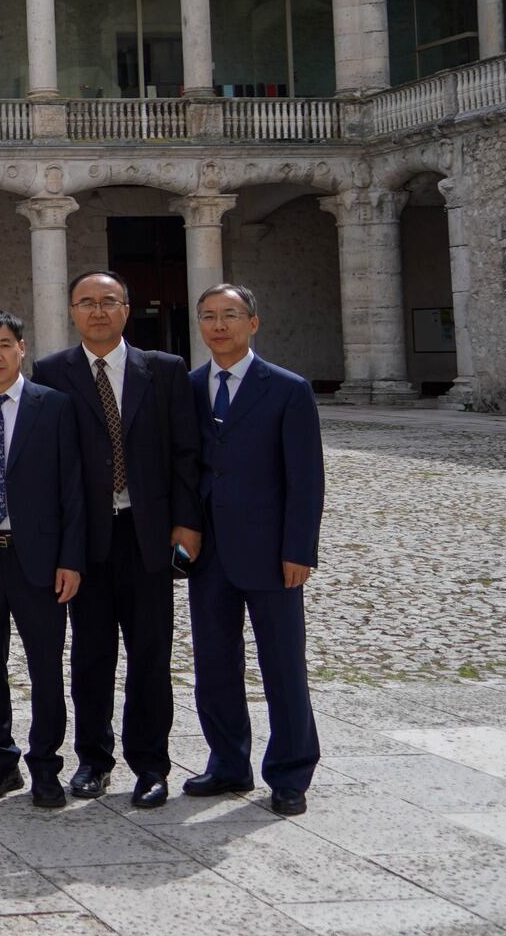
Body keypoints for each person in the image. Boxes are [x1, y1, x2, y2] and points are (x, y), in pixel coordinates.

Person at [31, 270, 202, 810]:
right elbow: (49, 466)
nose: (98, 312)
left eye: (109, 302)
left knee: (151, 654)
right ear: (72, 312)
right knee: (90, 652)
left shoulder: (166, 370)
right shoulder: (51, 373)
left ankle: (151, 765)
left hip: (148, 534)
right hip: (87, 538)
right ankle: (93, 760)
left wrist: (187, 522)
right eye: (87, 303)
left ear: (127, 310)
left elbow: (186, 454)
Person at [184, 283, 324, 817]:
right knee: (215, 662)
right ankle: (227, 762)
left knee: (282, 664)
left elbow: (306, 479)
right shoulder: (190, 388)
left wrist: (299, 549)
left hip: (271, 552)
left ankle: (290, 772)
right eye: (209, 317)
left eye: (230, 315)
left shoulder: (288, 389)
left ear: (253, 323)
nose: (219, 326)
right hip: (209, 553)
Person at [0, 310, 86, 809]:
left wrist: (70, 559)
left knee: (46, 669)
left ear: (22, 349)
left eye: (5, 344)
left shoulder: (53, 407)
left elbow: (72, 490)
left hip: (41, 562)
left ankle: (47, 766)